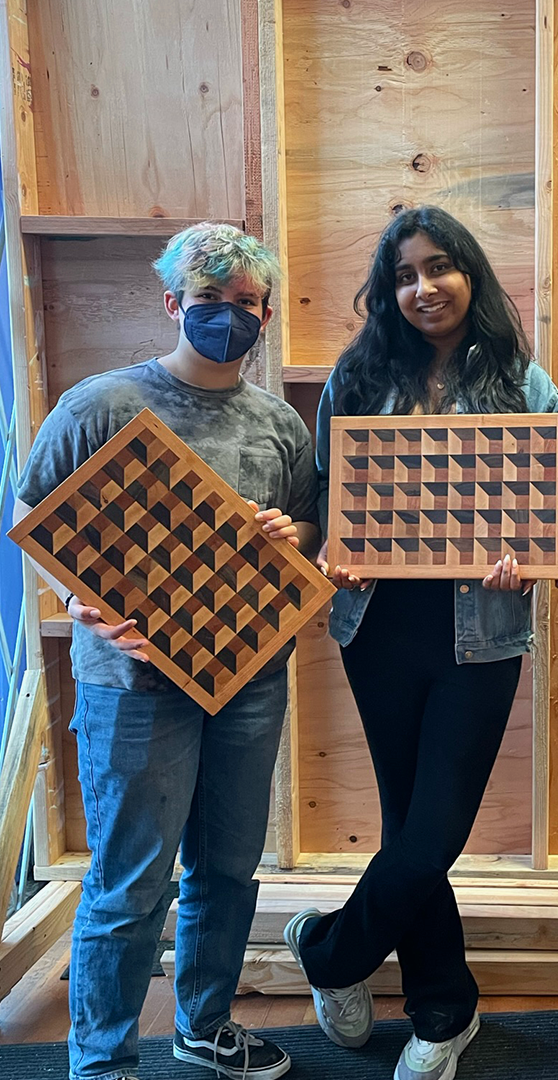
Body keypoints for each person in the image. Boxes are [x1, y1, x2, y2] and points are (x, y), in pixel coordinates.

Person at [14, 222, 321, 1080]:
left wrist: (284, 530)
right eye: (210, 301)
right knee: (130, 881)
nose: (228, 316)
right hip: (133, 681)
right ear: (173, 304)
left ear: (264, 313)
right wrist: (78, 600)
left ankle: (203, 1024)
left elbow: (308, 529)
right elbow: (39, 518)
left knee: (227, 868)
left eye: (245, 304)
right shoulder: (103, 406)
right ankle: (102, 1061)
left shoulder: (276, 425)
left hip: (247, 676)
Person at [283, 205, 558, 1080]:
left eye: (438, 267)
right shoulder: (357, 378)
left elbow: (551, 516)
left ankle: (328, 950)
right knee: (410, 821)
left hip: (481, 632)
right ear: (386, 290)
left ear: (470, 275)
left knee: (435, 828)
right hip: (377, 629)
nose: (422, 287)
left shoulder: (527, 385)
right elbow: (325, 501)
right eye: (403, 275)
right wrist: (333, 546)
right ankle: (444, 1009)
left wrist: (531, 560)